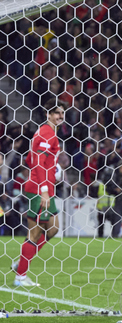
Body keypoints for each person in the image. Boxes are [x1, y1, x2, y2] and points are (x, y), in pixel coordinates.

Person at [12, 98, 64, 287]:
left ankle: (21, 264)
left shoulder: (44, 132)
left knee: (53, 228)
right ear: (48, 114)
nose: (60, 116)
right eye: (56, 112)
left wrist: (52, 169)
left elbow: (29, 159)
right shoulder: (48, 133)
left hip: (45, 186)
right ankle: (20, 276)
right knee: (35, 233)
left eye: (62, 112)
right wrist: (43, 189)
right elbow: (39, 162)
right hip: (40, 189)